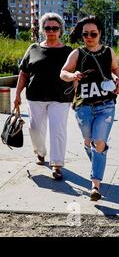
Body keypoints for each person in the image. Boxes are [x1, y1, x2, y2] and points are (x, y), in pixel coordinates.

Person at [60, 16, 119, 201]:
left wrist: (118, 80)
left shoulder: (108, 52)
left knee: (99, 141)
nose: (89, 37)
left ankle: (95, 185)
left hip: (106, 105)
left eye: (93, 33)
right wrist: (72, 75)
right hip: (83, 106)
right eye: (85, 34)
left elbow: (116, 69)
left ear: (100, 33)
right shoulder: (77, 53)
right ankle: (96, 156)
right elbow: (62, 72)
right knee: (89, 141)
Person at [14, 13, 74, 180]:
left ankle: (57, 164)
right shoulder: (33, 48)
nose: (51, 31)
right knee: (35, 129)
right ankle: (40, 152)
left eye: (55, 28)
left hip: (60, 97)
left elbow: (75, 74)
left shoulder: (68, 51)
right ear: (42, 30)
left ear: (60, 30)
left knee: (58, 130)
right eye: (47, 28)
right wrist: (17, 94)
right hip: (35, 96)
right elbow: (23, 73)